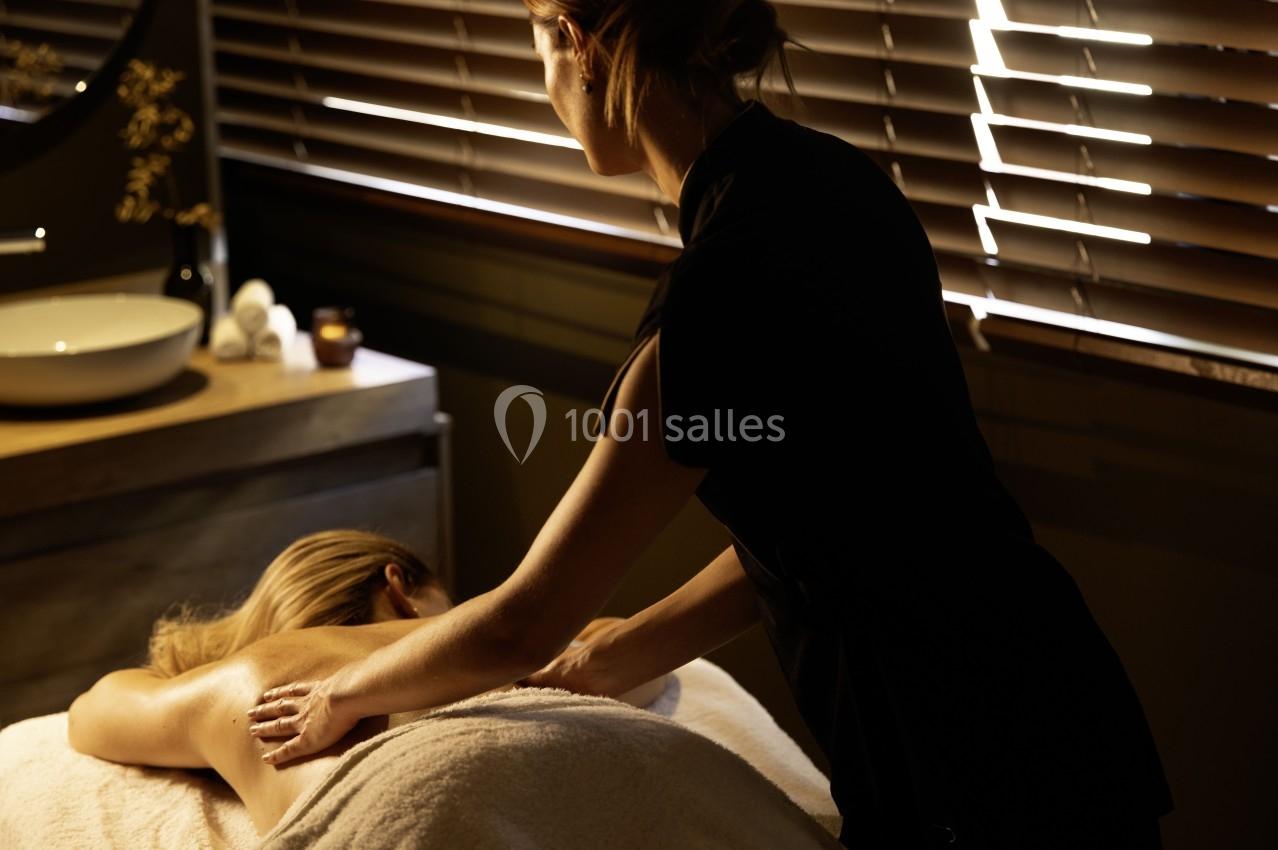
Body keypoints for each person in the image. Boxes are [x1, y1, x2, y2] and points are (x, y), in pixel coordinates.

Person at [244, 2, 1174, 847]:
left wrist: (338, 694)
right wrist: (626, 649)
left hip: (959, 772)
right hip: (1062, 704)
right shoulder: (840, 186)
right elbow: (831, 514)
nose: (544, 84)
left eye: (534, 41)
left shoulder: (714, 304)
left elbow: (519, 626)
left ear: (580, 43)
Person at [65, 529, 636, 834]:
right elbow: (622, 653)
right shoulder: (495, 644)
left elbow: (91, 711)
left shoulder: (246, 681)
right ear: (400, 590)